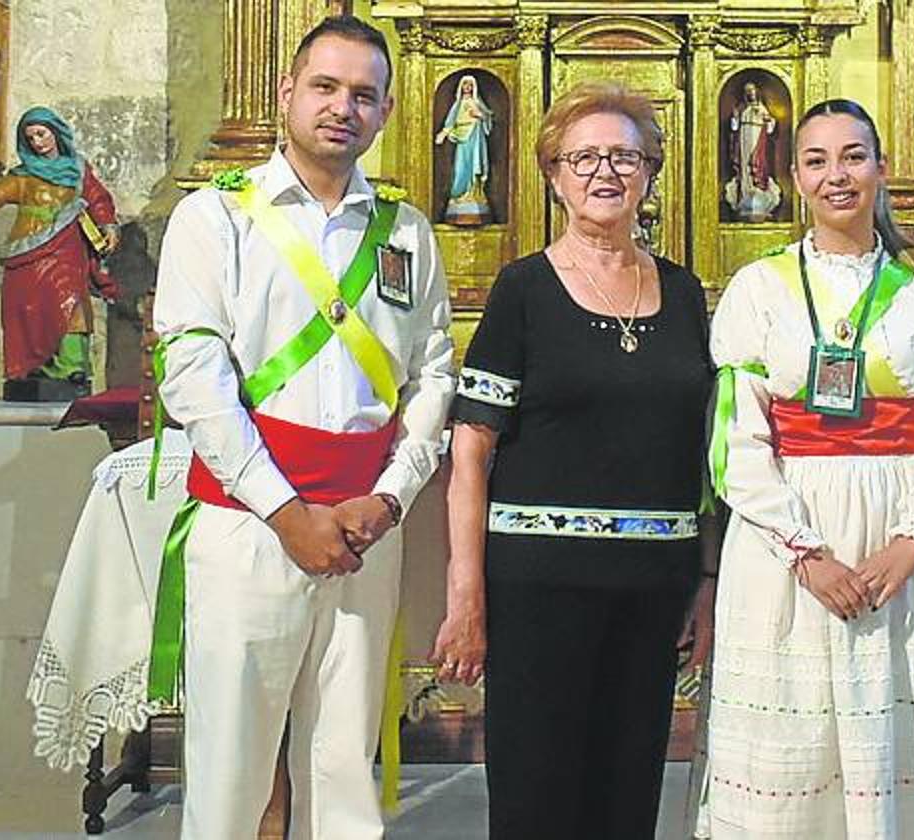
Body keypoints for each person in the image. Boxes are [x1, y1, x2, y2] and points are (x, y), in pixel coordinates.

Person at [150, 15, 453, 839]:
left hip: (365, 529)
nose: (341, 108)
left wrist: (389, 500)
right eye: (325, 87)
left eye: (363, 95)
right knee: (230, 766)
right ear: (287, 93)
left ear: (386, 112)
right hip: (249, 524)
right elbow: (195, 377)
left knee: (344, 762)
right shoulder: (216, 219)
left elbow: (433, 376)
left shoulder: (407, 234)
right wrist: (285, 513)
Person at [699, 99, 914, 838]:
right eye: (816, 160)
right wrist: (804, 553)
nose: (836, 175)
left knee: (912, 737)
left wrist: (911, 542)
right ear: (792, 178)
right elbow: (734, 441)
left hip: (906, 544)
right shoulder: (758, 287)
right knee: (796, 746)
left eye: (852, 156)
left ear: (880, 168)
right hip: (791, 546)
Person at [433, 81, 717, 840]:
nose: (606, 173)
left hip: (652, 593)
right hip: (537, 590)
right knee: (537, 801)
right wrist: (467, 596)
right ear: (554, 175)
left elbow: (706, 459)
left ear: (651, 174)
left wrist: (707, 581)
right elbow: (471, 449)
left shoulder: (687, 296)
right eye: (584, 156)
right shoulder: (522, 291)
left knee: (627, 800)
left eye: (625, 157)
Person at [0, 106, 119, 395]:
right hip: (28, 253)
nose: (38, 142)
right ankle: (33, 367)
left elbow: (98, 199)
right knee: (27, 308)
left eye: (42, 134)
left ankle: (72, 367)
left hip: (66, 250)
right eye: (31, 138)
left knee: (72, 304)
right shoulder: (23, 177)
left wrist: (109, 226)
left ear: (56, 133)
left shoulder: (78, 169)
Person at [435, 74, 494, 225]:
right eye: (465, 85)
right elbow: (451, 121)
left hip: (475, 139)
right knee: (461, 168)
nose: (467, 88)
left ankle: (474, 195)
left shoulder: (476, 102)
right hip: (463, 139)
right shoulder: (458, 104)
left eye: (470, 86)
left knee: (476, 166)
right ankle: (460, 196)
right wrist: (443, 133)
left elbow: (488, 117)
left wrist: (479, 115)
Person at [724, 80, 782, 221]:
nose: (750, 93)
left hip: (758, 138)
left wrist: (768, 120)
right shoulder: (743, 108)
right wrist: (736, 118)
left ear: (757, 92)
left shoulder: (761, 109)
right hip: (744, 139)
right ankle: (745, 193)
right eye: (747, 91)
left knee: (757, 163)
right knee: (745, 167)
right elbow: (734, 128)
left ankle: (758, 191)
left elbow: (770, 126)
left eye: (752, 90)